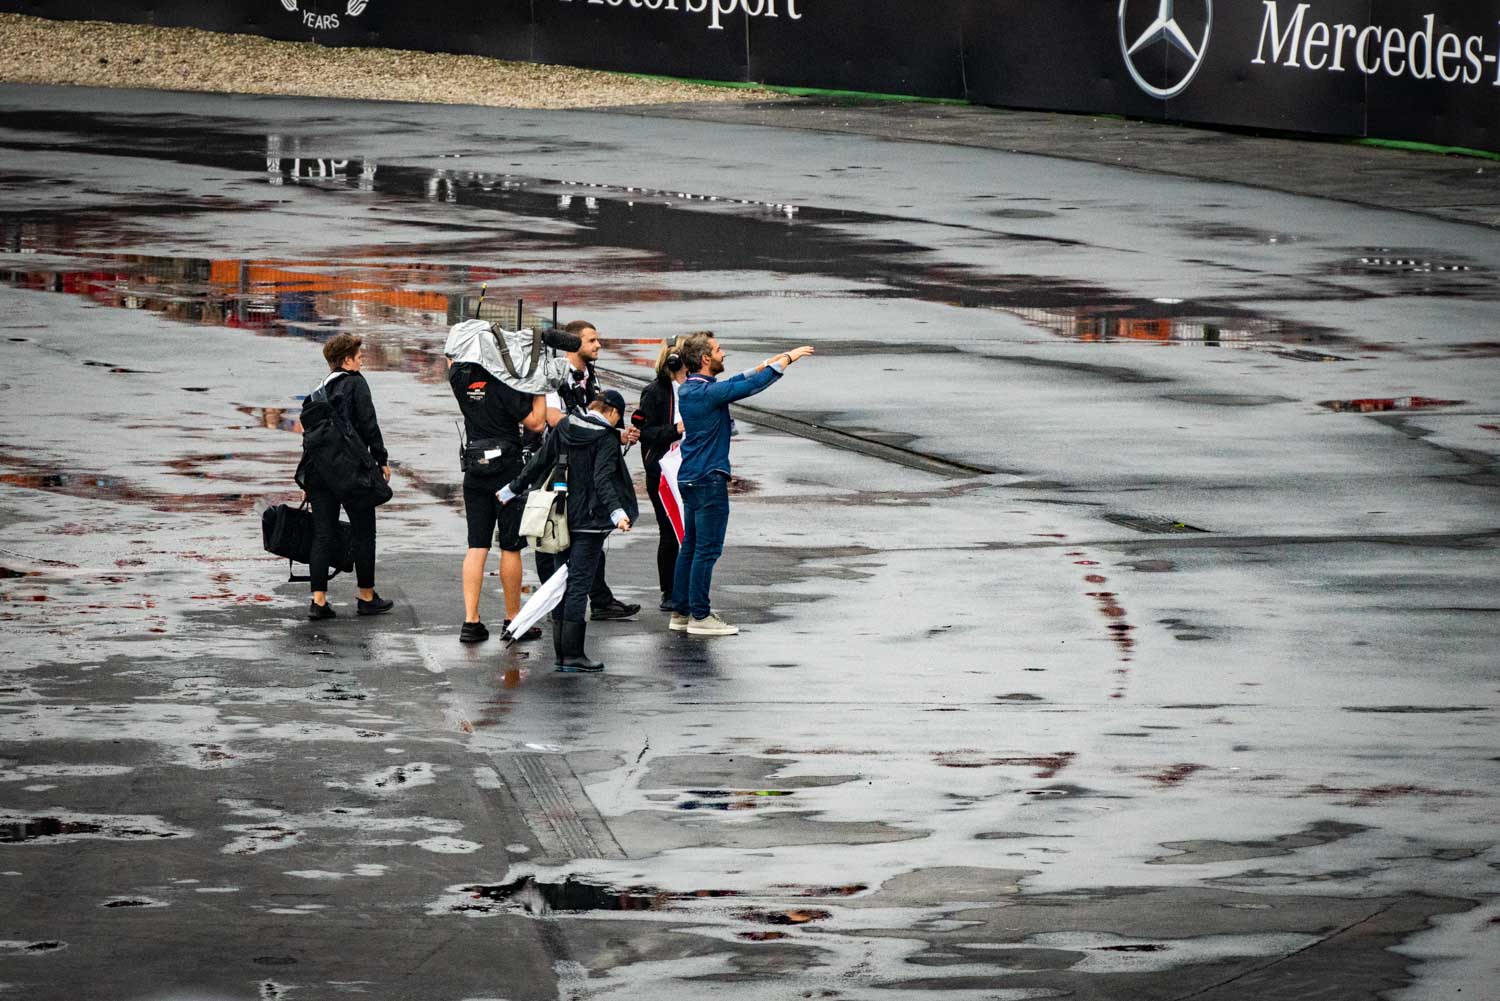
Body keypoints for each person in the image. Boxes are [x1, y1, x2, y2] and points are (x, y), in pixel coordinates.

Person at [670, 333, 814, 636]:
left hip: (690, 478)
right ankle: (700, 616)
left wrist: (764, 364)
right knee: (707, 551)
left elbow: (733, 382)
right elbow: (745, 387)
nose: (723, 353)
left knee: (691, 548)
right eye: (718, 350)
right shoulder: (708, 393)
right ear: (706, 359)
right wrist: (786, 361)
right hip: (709, 479)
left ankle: (681, 612)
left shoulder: (690, 390)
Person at [501, 390, 638, 672]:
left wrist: (511, 490)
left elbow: (540, 460)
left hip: (560, 517)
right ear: (612, 412)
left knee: (559, 583)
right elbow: (602, 480)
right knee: (578, 586)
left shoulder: (565, 426)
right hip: (590, 522)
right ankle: (573, 655)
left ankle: (562, 654)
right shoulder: (606, 438)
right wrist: (618, 513)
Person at [539, 320, 640, 621]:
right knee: (554, 539)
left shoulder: (589, 377)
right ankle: (555, 603)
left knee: (591, 533)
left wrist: (616, 434)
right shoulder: (554, 377)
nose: (598, 346)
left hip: (583, 465)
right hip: (559, 466)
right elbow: (554, 418)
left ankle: (599, 599)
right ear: (572, 344)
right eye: (592, 340)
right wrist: (599, 432)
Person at [449, 351, 547, 643]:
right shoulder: (504, 384)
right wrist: (539, 387)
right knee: (510, 546)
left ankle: (471, 621)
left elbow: (451, 361)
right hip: (507, 470)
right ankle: (513, 619)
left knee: (476, 546)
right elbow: (537, 424)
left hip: (475, 469)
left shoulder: (461, 381)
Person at [302, 334, 393, 621]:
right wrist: (381, 459)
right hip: (351, 472)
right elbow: (368, 425)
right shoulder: (356, 383)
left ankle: (318, 601)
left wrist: (306, 478)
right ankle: (366, 595)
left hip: (319, 472)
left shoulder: (318, 392)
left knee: (323, 534)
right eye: (358, 356)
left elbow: (311, 438)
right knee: (364, 531)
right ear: (346, 361)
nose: (362, 359)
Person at [635, 336, 688, 610]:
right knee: (668, 531)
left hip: (690, 465)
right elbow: (644, 433)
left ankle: (686, 586)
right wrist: (674, 430)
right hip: (664, 468)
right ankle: (668, 590)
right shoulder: (655, 392)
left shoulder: (694, 388)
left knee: (690, 530)